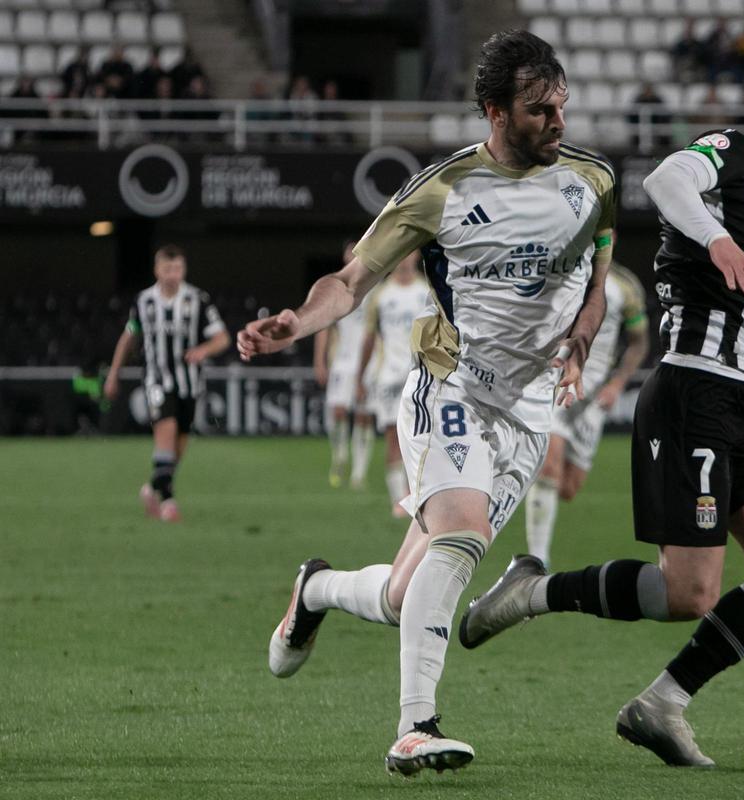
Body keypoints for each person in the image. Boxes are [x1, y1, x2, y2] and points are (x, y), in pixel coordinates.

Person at [459, 85, 744, 768]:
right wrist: (719, 240)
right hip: (694, 392)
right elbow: (665, 180)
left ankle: (662, 704)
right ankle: (531, 592)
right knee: (688, 593)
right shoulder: (728, 156)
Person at [237, 29, 616, 776]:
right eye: (540, 111)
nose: (558, 123)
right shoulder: (441, 191)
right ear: (494, 112)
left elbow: (598, 280)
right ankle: (416, 727)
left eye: (562, 107)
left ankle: (316, 589)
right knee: (464, 534)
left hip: (531, 412)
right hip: (453, 385)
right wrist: (295, 321)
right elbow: (349, 281)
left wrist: (582, 337)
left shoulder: (595, 181)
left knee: (407, 593)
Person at [524, 259, 649, 568]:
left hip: (593, 396)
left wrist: (618, 383)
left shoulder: (624, 284)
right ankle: (537, 562)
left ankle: (521, 479)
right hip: (557, 381)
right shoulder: (559, 269)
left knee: (567, 488)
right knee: (548, 469)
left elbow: (639, 342)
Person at [103, 244, 230, 522]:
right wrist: (113, 374)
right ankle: (168, 501)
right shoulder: (144, 301)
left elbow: (222, 338)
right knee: (166, 430)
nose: (173, 274)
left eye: (178, 268)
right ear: (156, 269)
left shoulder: (198, 299)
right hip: (156, 380)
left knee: (180, 442)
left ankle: (152, 487)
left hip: (190, 383)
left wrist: (203, 351)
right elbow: (129, 338)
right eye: (167, 268)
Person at [355, 251, 428, 518]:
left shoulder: (428, 290)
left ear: (417, 255)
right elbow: (369, 338)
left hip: (422, 374)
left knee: (422, 439)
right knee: (394, 438)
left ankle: (418, 494)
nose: (405, 259)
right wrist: (360, 376)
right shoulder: (381, 295)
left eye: (410, 253)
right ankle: (398, 500)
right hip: (388, 376)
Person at [312, 240, 381, 490]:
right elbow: (323, 326)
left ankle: (359, 473)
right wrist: (319, 360)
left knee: (363, 416)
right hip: (341, 360)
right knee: (338, 411)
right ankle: (339, 454)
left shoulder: (377, 287)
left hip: (369, 361)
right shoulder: (336, 288)